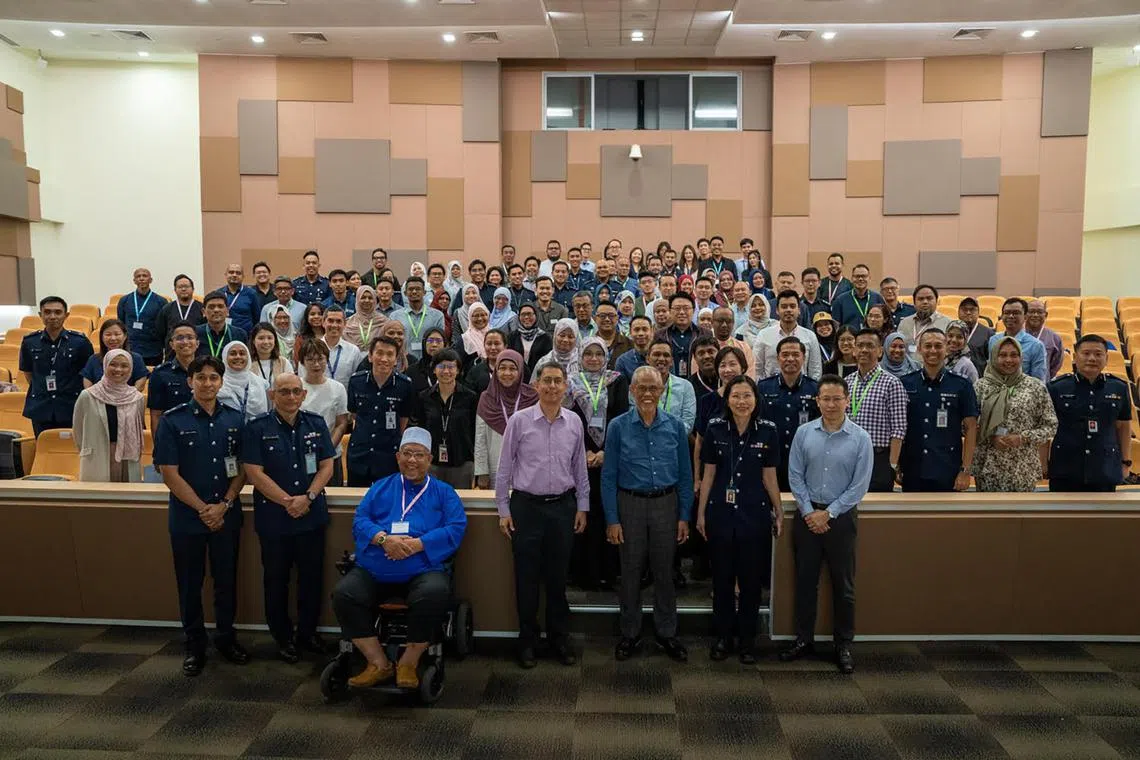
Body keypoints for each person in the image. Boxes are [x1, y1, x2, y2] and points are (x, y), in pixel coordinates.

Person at [332, 427, 467, 688]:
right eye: (407, 454)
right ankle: (378, 662)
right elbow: (360, 520)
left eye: (419, 455)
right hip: (375, 569)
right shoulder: (380, 488)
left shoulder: (444, 492)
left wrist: (419, 544)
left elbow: (455, 527)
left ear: (429, 459)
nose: (412, 460)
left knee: (434, 593)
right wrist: (384, 539)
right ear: (398, 457)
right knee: (345, 594)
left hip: (422, 570)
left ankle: (409, 662)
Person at [153, 355, 249, 677]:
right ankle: (194, 645)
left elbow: (242, 470)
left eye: (213, 378)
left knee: (226, 582)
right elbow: (169, 473)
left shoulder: (235, 419)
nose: (208, 383)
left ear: (221, 382)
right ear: (189, 381)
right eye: (201, 377)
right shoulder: (172, 420)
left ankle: (225, 638)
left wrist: (224, 504)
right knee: (189, 584)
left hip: (226, 515)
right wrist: (203, 509)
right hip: (187, 518)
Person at [496, 363, 588, 668]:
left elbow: (580, 469)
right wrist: (503, 509)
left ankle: (559, 639)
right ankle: (528, 641)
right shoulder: (520, 422)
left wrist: (583, 507)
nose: (551, 386)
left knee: (558, 578)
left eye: (557, 381)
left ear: (565, 387)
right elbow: (505, 468)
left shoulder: (574, 422)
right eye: (546, 381)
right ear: (536, 386)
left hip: (563, 507)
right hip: (526, 508)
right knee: (527, 578)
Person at [242, 372, 336, 663]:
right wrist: (287, 502)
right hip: (275, 519)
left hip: (311, 515)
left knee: (311, 579)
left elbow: (327, 466)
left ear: (304, 394)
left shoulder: (316, 423)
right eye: (284, 392)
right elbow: (254, 473)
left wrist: (306, 498)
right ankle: (282, 638)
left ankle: (307, 633)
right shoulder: (257, 428)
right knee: (276, 580)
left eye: (296, 391)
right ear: (272, 395)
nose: (291, 397)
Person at [601, 365, 693, 663]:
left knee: (665, 572)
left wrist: (684, 515)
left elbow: (685, 475)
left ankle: (667, 633)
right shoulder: (617, 427)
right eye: (642, 388)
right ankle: (630, 633)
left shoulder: (675, 426)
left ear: (662, 390)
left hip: (666, 504)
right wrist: (612, 519)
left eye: (653, 388)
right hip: (630, 505)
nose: (648, 394)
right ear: (632, 391)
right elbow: (608, 476)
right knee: (629, 572)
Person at [783, 374, 873, 674]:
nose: (831, 404)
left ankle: (843, 644)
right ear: (817, 401)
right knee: (805, 582)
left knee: (843, 586)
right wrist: (810, 512)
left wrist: (829, 513)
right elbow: (794, 475)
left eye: (837, 399)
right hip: (807, 518)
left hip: (842, 519)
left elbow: (859, 486)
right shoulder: (803, 433)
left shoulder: (860, 437)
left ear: (847, 401)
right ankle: (803, 640)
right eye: (826, 399)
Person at [697, 376, 783, 663]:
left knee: (750, 581)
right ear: (727, 399)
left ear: (756, 400)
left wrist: (779, 510)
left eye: (747, 396)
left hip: (753, 513)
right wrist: (701, 513)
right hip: (720, 511)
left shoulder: (768, 431)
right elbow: (708, 473)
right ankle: (723, 637)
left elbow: (769, 476)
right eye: (736, 396)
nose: (742, 402)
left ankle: (747, 641)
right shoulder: (715, 427)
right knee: (722, 579)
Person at [564, 337, 629, 590]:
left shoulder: (618, 380)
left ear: (606, 357)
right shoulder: (571, 383)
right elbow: (568, 421)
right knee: (583, 516)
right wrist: (584, 451)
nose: (593, 358)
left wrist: (605, 452)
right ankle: (584, 575)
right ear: (580, 356)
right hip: (579, 461)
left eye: (598, 354)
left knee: (608, 515)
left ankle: (608, 574)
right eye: (588, 353)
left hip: (610, 460)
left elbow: (622, 417)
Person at [1047, 334, 1132, 492]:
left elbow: (1123, 426)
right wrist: (1043, 464)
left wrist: (1126, 461)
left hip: (1104, 467)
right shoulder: (1057, 388)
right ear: (1075, 357)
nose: (1092, 358)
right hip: (1065, 467)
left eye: (1098, 354)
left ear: (1106, 358)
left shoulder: (1118, 387)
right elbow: (1045, 428)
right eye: (1086, 353)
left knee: (1104, 515)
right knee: (1062, 515)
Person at [972, 337, 1057, 492]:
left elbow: (1050, 425)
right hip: (988, 466)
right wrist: (988, 435)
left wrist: (1023, 437)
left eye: (1014, 355)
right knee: (987, 514)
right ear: (994, 357)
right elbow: (967, 426)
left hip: (1022, 468)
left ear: (1021, 358)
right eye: (1002, 355)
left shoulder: (1035, 387)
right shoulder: (980, 386)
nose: (1008, 360)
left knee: (1021, 515)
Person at [898, 329, 979, 492]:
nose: (933, 350)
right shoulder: (905, 383)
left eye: (938, 346)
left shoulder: (962, 385)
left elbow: (971, 428)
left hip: (947, 468)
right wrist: (897, 465)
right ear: (919, 349)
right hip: (913, 468)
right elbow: (898, 427)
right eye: (928, 346)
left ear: (947, 348)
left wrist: (965, 471)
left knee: (948, 517)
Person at [19, 296, 94, 437]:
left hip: (71, 406)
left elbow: (88, 374)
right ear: (40, 315)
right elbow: (28, 373)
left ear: (66, 315)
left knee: (72, 450)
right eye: (47, 312)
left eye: (57, 312)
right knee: (46, 448)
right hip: (41, 406)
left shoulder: (80, 342)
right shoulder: (30, 342)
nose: (52, 316)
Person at [346, 336, 414, 487]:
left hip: (388, 455)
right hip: (359, 454)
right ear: (370, 356)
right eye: (379, 353)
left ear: (396, 359)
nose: (384, 359)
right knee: (358, 502)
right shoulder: (356, 381)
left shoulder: (405, 385)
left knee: (387, 501)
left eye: (390, 354)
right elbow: (355, 414)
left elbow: (403, 420)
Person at [72, 349, 146, 482]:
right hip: (97, 456)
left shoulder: (137, 398)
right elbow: (78, 431)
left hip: (127, 457)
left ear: (131, 369)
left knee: (127, 500)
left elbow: (139, 427)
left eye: (124, 366)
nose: (118, 369)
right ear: (105, 365)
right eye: (113, 364)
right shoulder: (88, 395)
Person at [757, 337, 821, 491]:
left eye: (795, 354)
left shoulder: (815, 389)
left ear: (803, 358)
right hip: (771, 459)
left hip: (805, 460)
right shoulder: (763, 388)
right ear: (778, 358)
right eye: (785, 355)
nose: (790, 359)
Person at [846, 329, 907, 492]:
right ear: (854, 350)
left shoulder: (892, 383)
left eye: (870, 346)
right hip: (848, 455)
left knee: (876, 509)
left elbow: (899, 429)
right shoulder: (846, 383)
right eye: (860, 345)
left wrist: (892, 465)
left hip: (878, 458)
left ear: (880, 351)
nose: (864, 350)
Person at [411, 349, 477, 490]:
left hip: (462, 461)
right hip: (431, 462)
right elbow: (420, 428)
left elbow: (474, 430)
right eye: (441, 366)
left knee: (458, 505)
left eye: (451, 367)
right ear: (434, 370)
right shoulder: (424, 397)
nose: (446, 371)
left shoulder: (470, 397)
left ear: (458, 370)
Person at [474, 349, 538, 490]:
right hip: (495, 466)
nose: (507, 373)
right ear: (495, 371)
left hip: (528, 468)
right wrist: (482, 472)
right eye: (502, 368)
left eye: (512, 369)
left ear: (520, 370)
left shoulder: (532, 397)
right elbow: (480, 439)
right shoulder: (487, 398)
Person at [298, 339, 349, 487]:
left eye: (320, 359)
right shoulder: (296, 386)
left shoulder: (337, 388)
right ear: (302, 362)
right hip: (301, 455)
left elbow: (341, 423)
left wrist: (327, 448)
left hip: (330, 454)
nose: (316, 364)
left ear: (327, 359)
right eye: (310, 359)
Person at [752, 290, 823, 380]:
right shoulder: (764, 335)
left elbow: (815, 370)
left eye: (792, 306)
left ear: (799, 310)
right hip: (771, 390)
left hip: (802, 390)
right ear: (777, 310)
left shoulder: (810, 336)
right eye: (784, 307)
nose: (788, 310)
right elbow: (756, 369)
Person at [147, 322, 199, 432]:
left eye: (190, 337)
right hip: (172, 436)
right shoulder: (160, 373)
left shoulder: (205, 370)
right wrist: (159, 445)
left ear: (197, 343)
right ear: (172, 344)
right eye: (179, 338)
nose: (185, 342)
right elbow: (156, 415)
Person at [117, 267, 169, 365]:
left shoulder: (161, 301)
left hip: (153, 350)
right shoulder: (124, 300)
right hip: (131, 348)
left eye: (144, 276)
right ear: (134, 280)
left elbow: (164, 326)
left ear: (150, 280)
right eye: (138, 276)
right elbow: (121, 324)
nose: (141, 278)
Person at [989, 298, 1048, 382]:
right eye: (1007, 313)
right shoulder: (993, 340)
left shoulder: (1036, 345)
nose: (1011, 316)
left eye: (1016, 313)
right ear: (1001, 316)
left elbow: (1038, 381)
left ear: (1025, 317)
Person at [81, 318, 149, 391]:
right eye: (108, 334)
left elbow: (140, 384)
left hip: (127, 400)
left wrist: (126, 398)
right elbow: (88, 385)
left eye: (117, 334)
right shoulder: (93, 359)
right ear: (102, 337)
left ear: (125, 336)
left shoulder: (136, 358)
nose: (113, 338)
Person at [647, 339, 697, 434]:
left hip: (675, 443)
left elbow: (688, 424)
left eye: (666, 355)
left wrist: (666, 436)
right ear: (647, 359)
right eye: (656, 354)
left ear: (671, 361)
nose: (661, 359)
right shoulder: (638, 386)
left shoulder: (685, 387)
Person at [392, 277, 445, 362]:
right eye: (411, 289)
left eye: (418, 289)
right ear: (405, 293)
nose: (414, 292)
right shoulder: (395, 316)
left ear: (424, 292)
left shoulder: (437, 316)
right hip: (403, 362)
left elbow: (440, 342)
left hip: (429, 362)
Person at [215, 340, 270, 421]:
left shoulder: (261, 383)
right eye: (233, 354)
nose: (238, 357)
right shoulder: (217, 384)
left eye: (242, 353)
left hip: (256, 431)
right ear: (224, 357)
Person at [658, 293, 710, 377]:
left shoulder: (705, 333)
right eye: (677, 308)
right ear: (670, 311)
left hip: (697, 382)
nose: (682, 312)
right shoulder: (660, 334)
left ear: (693, 311)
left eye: (686, 308)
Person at [156, 274, 205, 357]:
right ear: (175, 290)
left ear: (193, 289)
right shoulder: (167, 309)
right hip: (172, 355)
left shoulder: (201, 308)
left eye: (186, 286)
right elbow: (161, 333)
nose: (183, 289)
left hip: (197, 355)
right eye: (180, 287)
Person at [211, 263, 262, 334]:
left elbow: (257, 318)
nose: (234, 275)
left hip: (245, 336)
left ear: (243, 276)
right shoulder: (218, 293)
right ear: (226, 275)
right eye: (231, 272)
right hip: (223, 334)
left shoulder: (251, 294)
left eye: (238, 273)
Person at [829, 264, 883, 330]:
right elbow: (836, 326)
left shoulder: (878, 298)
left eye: (864, 276)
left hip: (873, 338)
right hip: (850, 339)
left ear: (869, 278)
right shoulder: (840, 300)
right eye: (857, 276)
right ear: (851, 279)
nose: (860, 279)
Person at [196, 293, 249, 359]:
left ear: (227, 311)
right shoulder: (195, 333)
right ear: (203, 312)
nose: (216, 310)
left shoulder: (240, 334)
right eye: (211, 307)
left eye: (220, 306)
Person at [320, 306, 363, 388]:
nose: (334, 325)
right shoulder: (312, 349)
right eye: (330, 321)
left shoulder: (353, 351)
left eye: (339, 321)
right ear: (323, 322)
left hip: (344, 398)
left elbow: (356, 380)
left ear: (345, 324)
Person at [507, 303, 551, 381]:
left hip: (538, 380)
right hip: (516, 379)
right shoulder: (512, 336)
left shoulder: (545, 337)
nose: (526, 317)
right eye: (523, 314)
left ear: (536, 316)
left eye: (529, 314)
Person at [1026, 300, 1065, 379]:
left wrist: (1046, 375)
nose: (1035, 315)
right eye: (1031, 311)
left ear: (1046, 315)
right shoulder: (1017, 335)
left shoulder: (1054, 338)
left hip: (1043, 383)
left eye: (1040, 312)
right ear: (1025, 314)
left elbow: (1056, 364)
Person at [958, 297, 995, 375]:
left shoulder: (988, 333)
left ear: (978, 313)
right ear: (958, 312)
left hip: (979, 379)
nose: (968, 312)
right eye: (964, 309)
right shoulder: (951, 332)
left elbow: (992, 362)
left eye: (972, 310)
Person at [344, 285, 387, 352]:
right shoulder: (348, 322)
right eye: (363, 297)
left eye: (370, 298)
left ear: (375, 300)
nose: (367, 300)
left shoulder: (384, 321)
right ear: (357, 299)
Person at [463, 329, 505, 397]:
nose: (493, 347)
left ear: (505, 346)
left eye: (497, 344)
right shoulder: (475, 371)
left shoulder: (514, 367)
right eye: (489, 344)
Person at [406, 328, 446, 395]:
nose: (434, 344)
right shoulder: (412, 370)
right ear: (424, 343)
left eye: (438, 341)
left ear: (445, 344)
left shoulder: (450, 369)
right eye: (430, 340)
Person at [593, 301, 633, 367]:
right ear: (595, 319)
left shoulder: (629, 344)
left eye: (611, 316)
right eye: (602, 316)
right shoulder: (588, 344)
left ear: (617, 318)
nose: (607, 319)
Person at [615, 315, 654, 381]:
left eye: (645, 329)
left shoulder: (662, 357)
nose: (641, 333)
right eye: (636, 330)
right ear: (630, 332)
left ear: (652, 331)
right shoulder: (623, 361)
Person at [456, 302, 490, 369]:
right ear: (469, 317)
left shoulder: (494, 335)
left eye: (483, 315)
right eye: (476, 316)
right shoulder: (465, 339)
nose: (480, 319)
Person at [688, 335, 721, 403]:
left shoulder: (728, 381)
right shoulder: (688, 385)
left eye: (711, 352)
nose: (706, 356)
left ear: (719, 354)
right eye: (701, 353)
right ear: (695, 358)